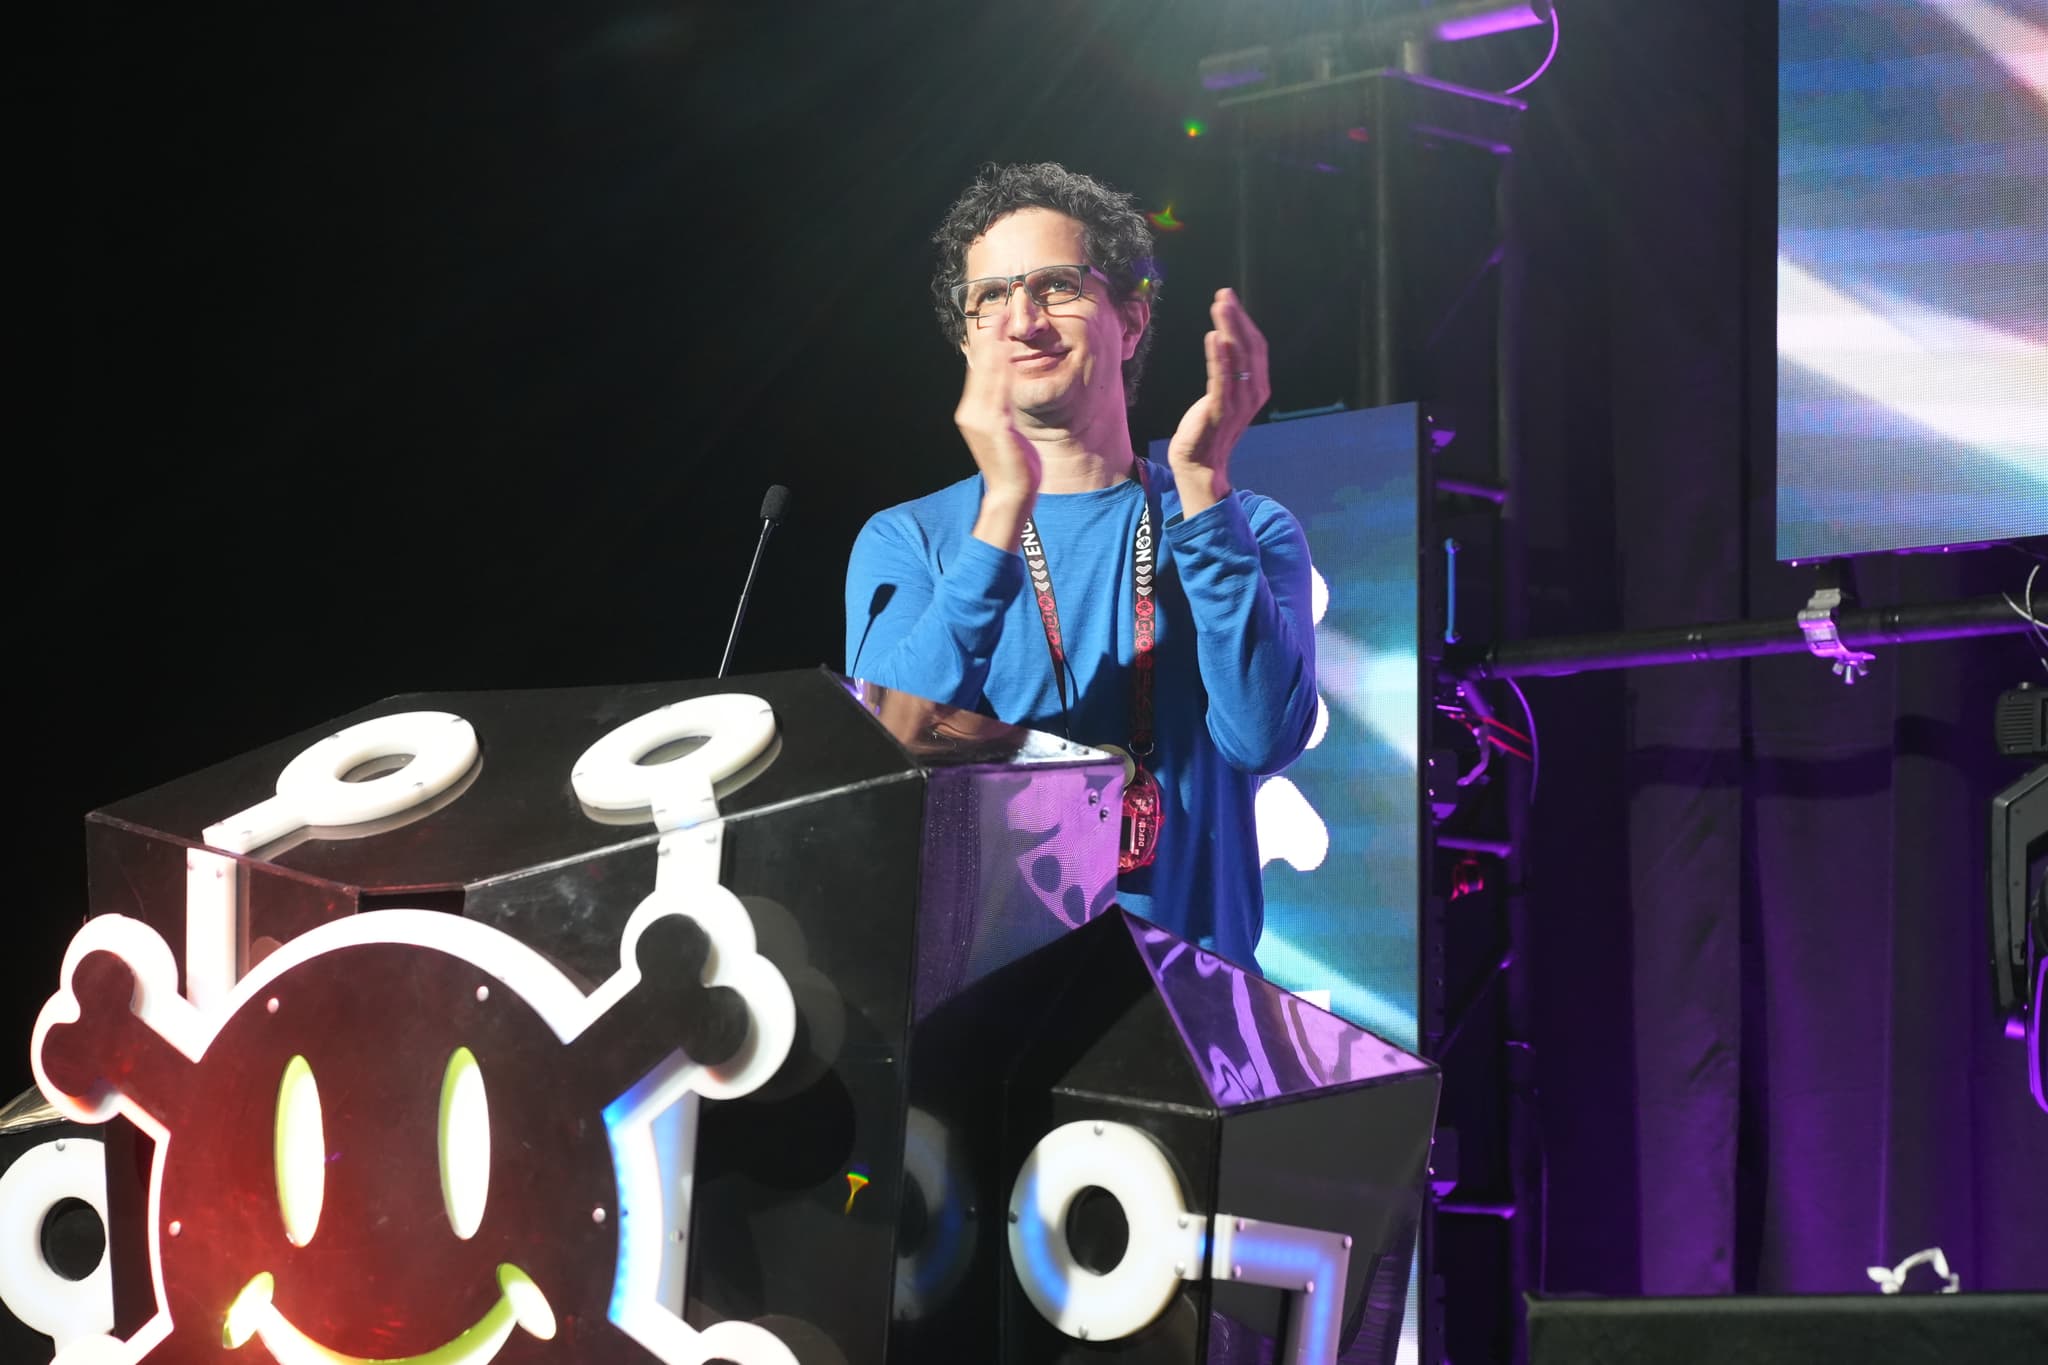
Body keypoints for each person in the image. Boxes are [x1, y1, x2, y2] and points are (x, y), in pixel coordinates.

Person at [843, 161, 1316, 965]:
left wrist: (1201, 491)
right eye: (989, 297)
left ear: (1130, 321)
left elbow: (1264, 738)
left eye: (1056, 285)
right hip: (979, 1001)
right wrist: (1002, 510)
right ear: (966, 338)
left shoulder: (1244, 527)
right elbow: (891, 752)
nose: (1022, 320)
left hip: (1190, 1012)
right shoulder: (907, 539)